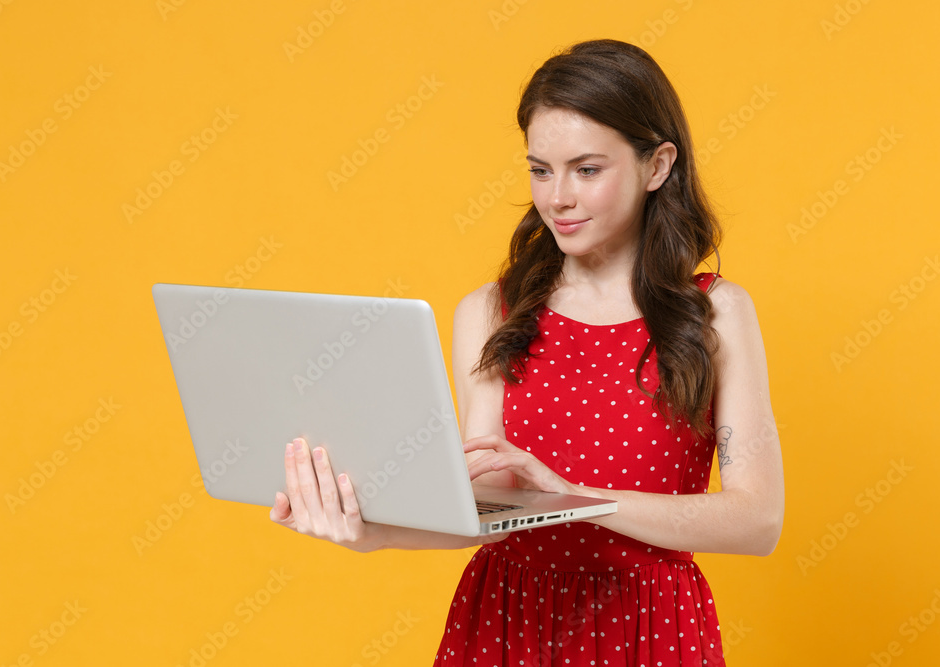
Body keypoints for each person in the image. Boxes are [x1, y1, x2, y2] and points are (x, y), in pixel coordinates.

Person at [270, 38, 784, 666]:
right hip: (508, 621)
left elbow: (758, 521)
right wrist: (366, 530)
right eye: (541, 169)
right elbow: (485, 505)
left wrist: (577, 496)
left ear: (657, 166)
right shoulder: (490, 311)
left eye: (586, 170)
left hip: (651, 629)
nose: (557, 197)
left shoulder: (715, 313)